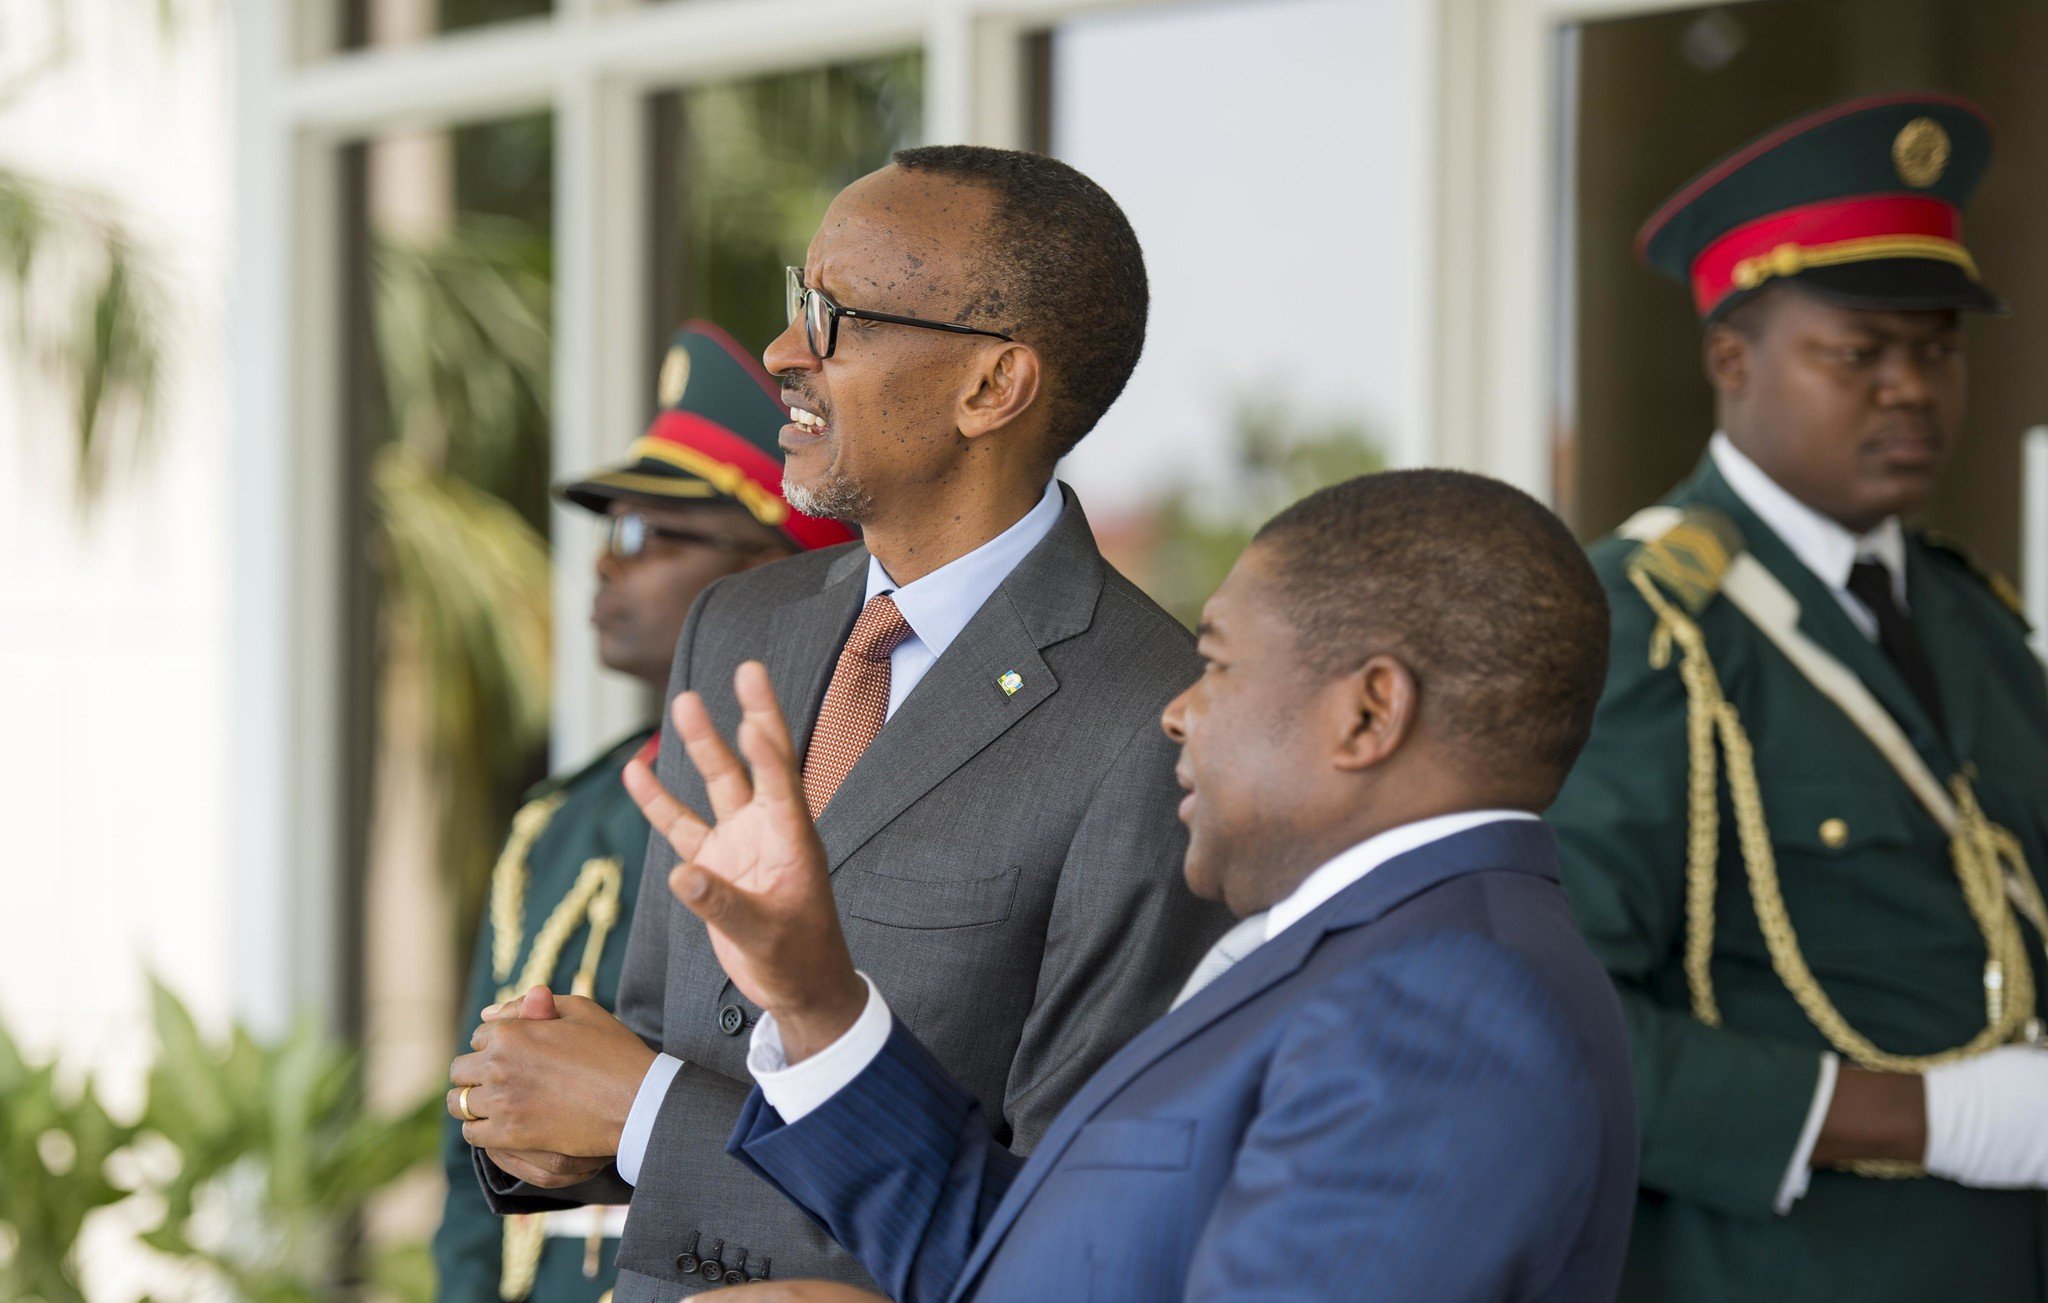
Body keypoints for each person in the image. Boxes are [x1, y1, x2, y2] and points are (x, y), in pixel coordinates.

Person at [447, 146, 1235, 1298]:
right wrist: (538, 1107)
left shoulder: (1148, 720)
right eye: (792, 301)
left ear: (991, 386)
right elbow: (659, 1039)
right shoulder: (740, 625)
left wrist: (645, 1120)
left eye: (832, 317)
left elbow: (1056, 1240)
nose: (782, 353)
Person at [611, 470, 1637, 1303]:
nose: (1176, 712)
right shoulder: (1382, 959)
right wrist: (812, 995)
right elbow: (1019, 1256)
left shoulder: (1445, 1009)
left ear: (1367, 714)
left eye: (1218, 665)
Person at [1549, 93, 2048, 1301]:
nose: (1910, 390)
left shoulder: (1970, 614)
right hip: (1791, 1267)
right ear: (1731, 357)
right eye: (1857, 352)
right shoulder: (1635, 625)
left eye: (1934, 347)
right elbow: (1557, 1024)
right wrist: (1923, 1118)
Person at [432, 321, 854, 1303]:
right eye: (608, 530)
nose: (604, 566)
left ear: (775, 567)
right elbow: (470, 1147)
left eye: (647, 535)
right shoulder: (562, 819)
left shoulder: (830, 813)